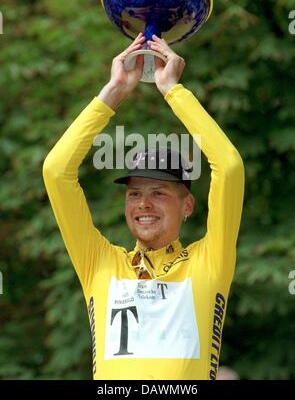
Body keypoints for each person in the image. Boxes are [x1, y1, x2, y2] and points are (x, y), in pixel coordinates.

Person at [43, 33, 244, 380]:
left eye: (159, 193)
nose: (144, 204)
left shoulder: (210, 261)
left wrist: (172, 91)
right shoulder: (101, 263)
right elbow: (56, 171)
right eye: (134, 194)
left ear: (188, 205)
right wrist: (114, 90)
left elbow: (228, 168)